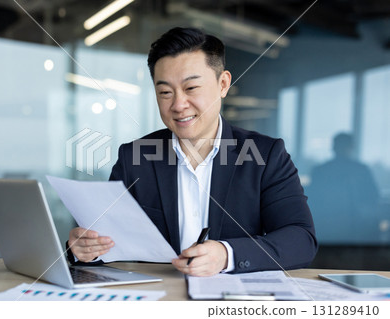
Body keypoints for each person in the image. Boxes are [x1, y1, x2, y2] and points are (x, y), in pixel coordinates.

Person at [68, 27, 317, 276]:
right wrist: (84, 250)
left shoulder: (266, 155)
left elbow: (300, 240)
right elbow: (106, 243)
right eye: (165, 92)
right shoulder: (135, 158)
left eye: (191, 88)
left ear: (223, 84)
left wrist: (226, 254)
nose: (178, 105)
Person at [308, 133, 380, 243]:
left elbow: (312, 199)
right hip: (352, 228)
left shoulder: (320, 170)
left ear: (333, 148)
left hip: (326, 227)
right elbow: (373, 196)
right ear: (352, 147)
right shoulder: (361, 170)